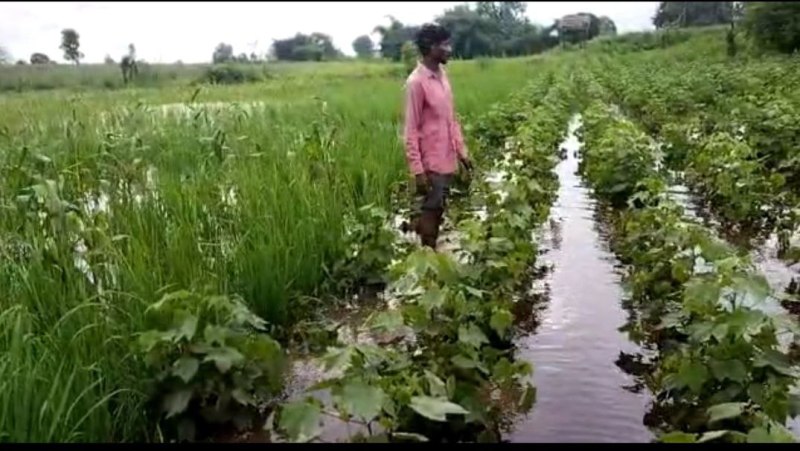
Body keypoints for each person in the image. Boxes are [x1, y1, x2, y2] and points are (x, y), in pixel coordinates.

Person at [403, 23, 472, 250]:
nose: (449, 49)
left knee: (438, 207)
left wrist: (462, 152)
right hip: (430, 161)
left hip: (447, 157)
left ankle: (416, 232)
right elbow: (410, 129)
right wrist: (417, 170)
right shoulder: (416, 83)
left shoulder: (442, 76)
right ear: (431, 48)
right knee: (433, 209)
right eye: (445, 45)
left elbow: (450, 118)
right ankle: (428, 261)